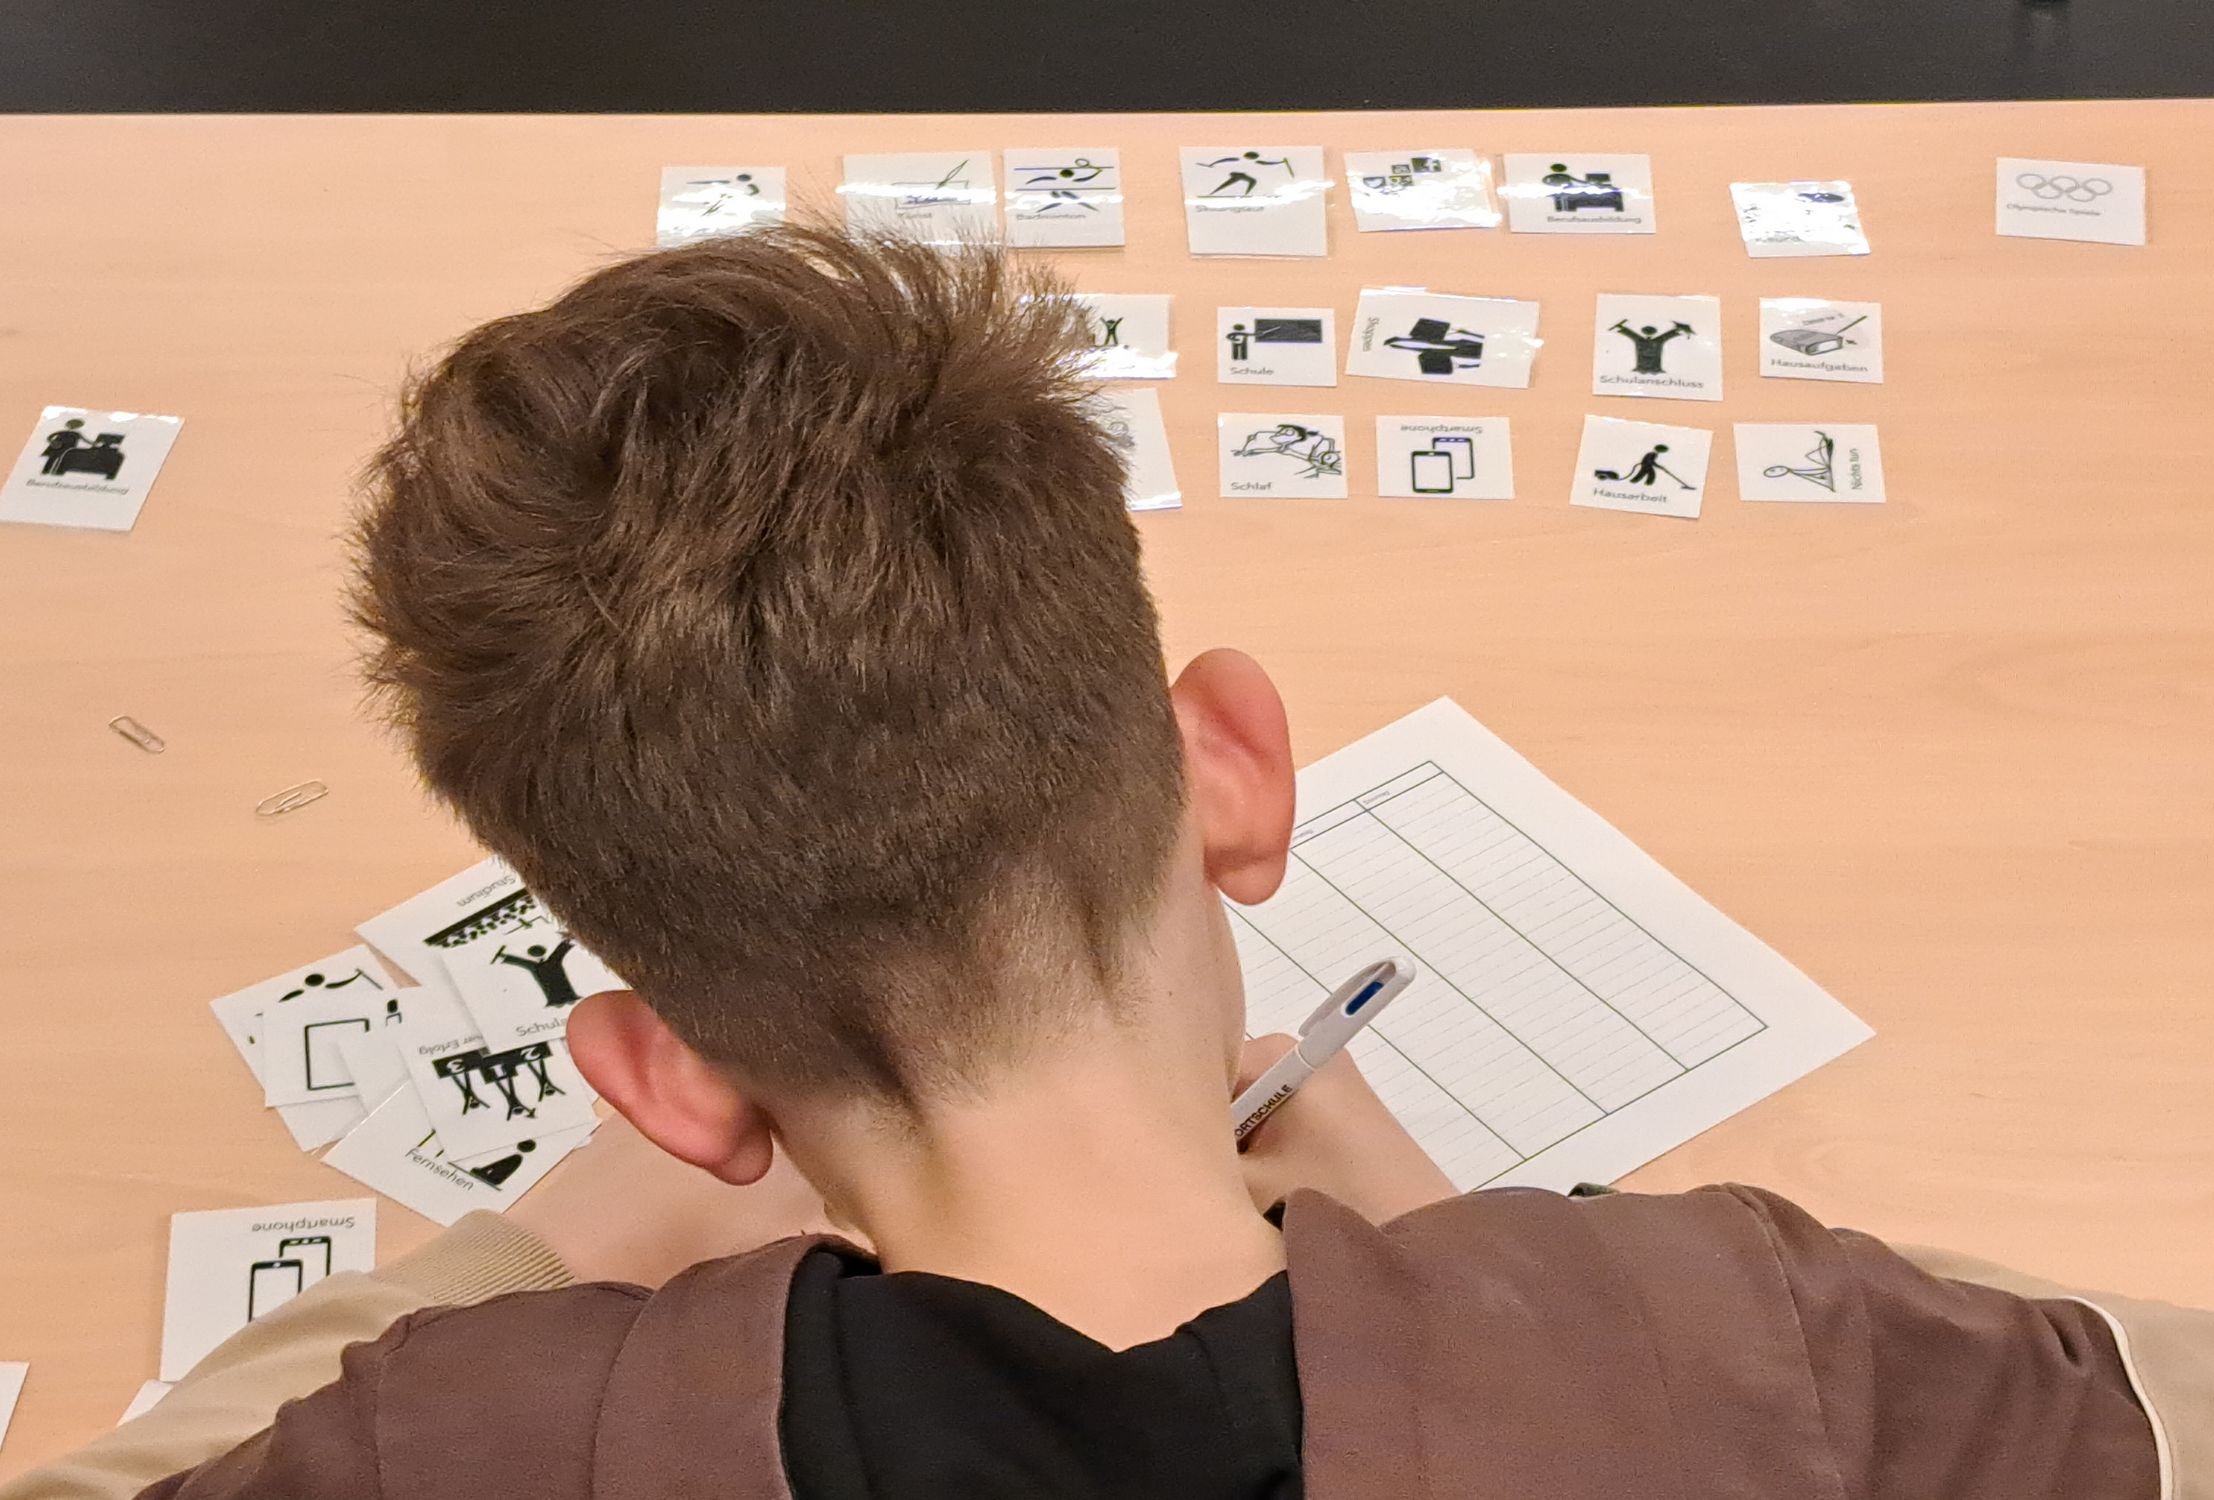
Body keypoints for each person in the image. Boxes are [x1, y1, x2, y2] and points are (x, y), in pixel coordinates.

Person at [10, 225, 2206, 1500]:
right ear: (1234, 771)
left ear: (665, 1076)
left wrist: (551, 1241)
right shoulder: (1774, 1359)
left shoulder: (450, 1445)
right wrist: (1471, 1264)